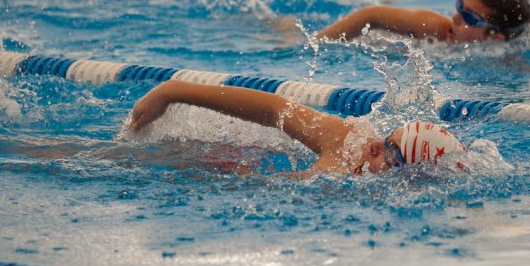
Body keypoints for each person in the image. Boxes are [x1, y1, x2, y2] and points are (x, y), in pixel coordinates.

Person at [129, 80, 465, 176]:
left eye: (391, 156)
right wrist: (172, 91)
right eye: (386, 138)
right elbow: (274, 109)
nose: (375, 146)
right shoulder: (353, 141)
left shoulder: (339, 178)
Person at [317, 0, 530, 44]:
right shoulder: (436, 28)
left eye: (468, 17)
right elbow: (370, 15)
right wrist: (318, 42)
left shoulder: (511, 61)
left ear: (495, 37)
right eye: (459, 6)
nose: (455, 17)